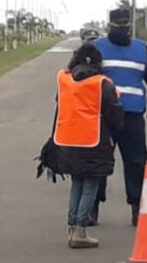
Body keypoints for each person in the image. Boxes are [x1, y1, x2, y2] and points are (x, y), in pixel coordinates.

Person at [93, 8, 147, 226]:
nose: (123, 28)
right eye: (118, 24)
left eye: (126, 24)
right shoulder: (97, 48)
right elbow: (82, 77)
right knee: (98, 162)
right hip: (102, 116)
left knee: (136, 162)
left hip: (132, 115)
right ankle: (91, 206)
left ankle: (137, 207)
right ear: (110, 25)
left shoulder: (142, 50)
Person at [52, 43, 123, 248]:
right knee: (91, 183)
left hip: (67, 139)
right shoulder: (103, 83)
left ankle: (72, 225)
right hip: (94, 139)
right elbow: (114, 114)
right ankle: (80, 231)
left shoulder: (64, 80)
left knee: (77, 183)